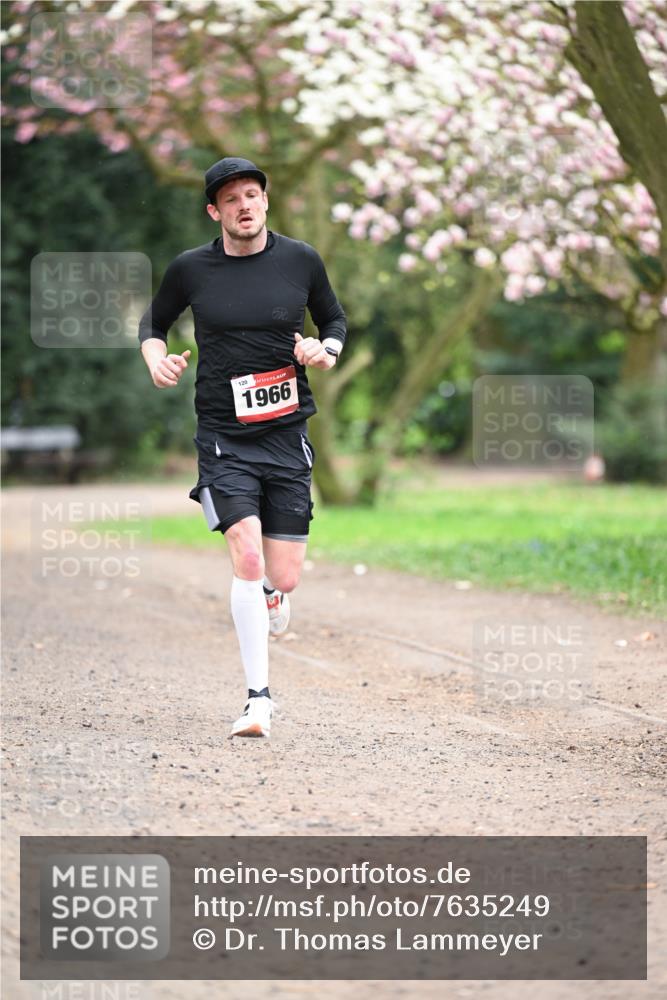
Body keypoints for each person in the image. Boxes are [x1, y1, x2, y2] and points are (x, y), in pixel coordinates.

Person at [138, 156, 346, 739]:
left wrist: (323, 350)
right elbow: (153, 325)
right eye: (232, 199)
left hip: (284, 436)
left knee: (284, 573)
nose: (244, 205)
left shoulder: (300, 260)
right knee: (247, 559)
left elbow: (334, 319)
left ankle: (275, 597)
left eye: (252, 194)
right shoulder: (191, 269)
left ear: (265, 202)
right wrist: (158, 361)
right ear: (215, 211)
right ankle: (259, 699)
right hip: (223, 437)